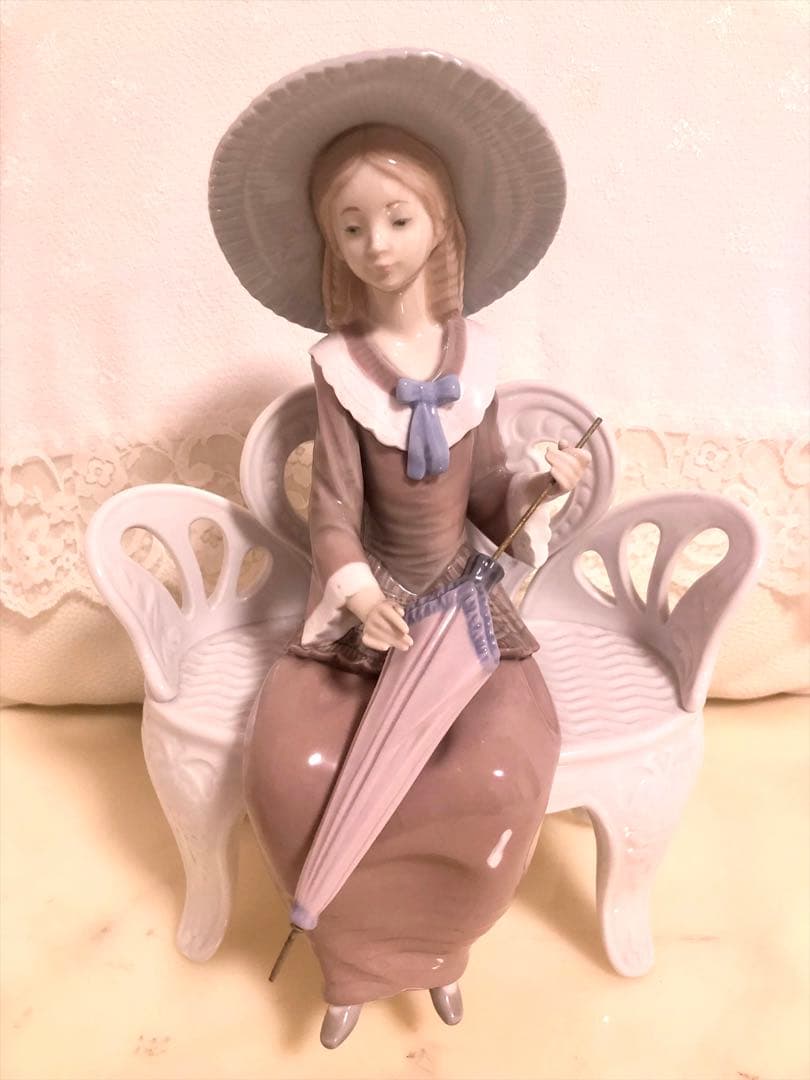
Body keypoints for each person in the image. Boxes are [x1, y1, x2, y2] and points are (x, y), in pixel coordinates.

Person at [209, 50, 590, 1049]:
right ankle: (348, 967)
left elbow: (491, 498)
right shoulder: (339, 369)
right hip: (368, 614)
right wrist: (352, 590)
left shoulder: (479, 361)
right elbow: (332, 511)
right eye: (351, 226)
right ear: (331, 243)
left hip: (462, 615)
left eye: (398, 218)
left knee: (497, 774)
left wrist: (541, 484)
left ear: (440, 224)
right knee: (301, 769)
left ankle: (440, 954)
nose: (377, 244)